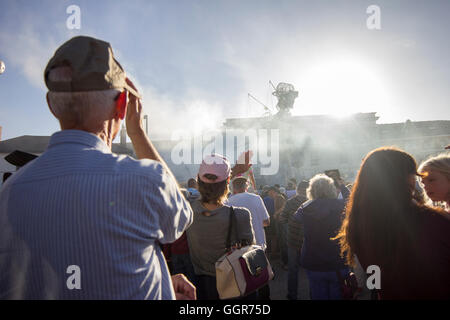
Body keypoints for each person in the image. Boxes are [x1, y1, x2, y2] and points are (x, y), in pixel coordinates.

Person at [0, 36, 195, 300]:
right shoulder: (146, 180)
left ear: (50, 104)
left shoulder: (9, 192)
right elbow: (180, 219)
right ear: (122, 106)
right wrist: (137, 132)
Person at [335, 147, 450, 299]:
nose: (416, 181)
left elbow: (373, 274)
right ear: (402, 178)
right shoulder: (432, 221)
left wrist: (377, 291)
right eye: (413, 174)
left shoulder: (357, 225)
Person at [186, 154, 256, 300]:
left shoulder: (186, 209)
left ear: (198, 180)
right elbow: (250, 252)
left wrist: (233, 171)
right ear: (228, 182)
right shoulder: (240, 215)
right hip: (233, 284)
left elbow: (166, 185)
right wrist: (234, 170)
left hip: (200, 285)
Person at [292, 174, 348, 300]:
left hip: (313, 260)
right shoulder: (341, 206)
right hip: (338, 260)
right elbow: (351, 202)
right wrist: (343, 186)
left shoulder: (305, 208)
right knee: (338, 294)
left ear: (311, 190)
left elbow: (295, 220)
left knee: (318, 294)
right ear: (332, 189)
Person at [226, 176, 271, 299]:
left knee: (243, 278)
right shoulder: (256, 198)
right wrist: (256, 223)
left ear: (233, 188)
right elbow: (266, 221)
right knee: (261, 276)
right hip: (258, 244)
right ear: (247, 187)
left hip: (238, 248)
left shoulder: (227, 201)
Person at [281, 180, 309, 300]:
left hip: (293, 240)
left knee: (293, 269)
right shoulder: (311, 202)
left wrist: (291, 227)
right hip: (309, 241)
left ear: (298, 189)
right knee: (311, 269)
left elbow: (282, 219)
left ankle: (292, 294)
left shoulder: (290, 202)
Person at [270, 186, 288, 268]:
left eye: (270, 192)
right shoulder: (278, 197)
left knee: (283, 241)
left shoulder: (278, 197)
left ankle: (286, 262)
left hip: (281, 222)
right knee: (281, 241)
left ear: (274, 191)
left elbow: (284, 206)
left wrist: (276, 213)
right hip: (280, 221)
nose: (269, 194)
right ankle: (284, 261)